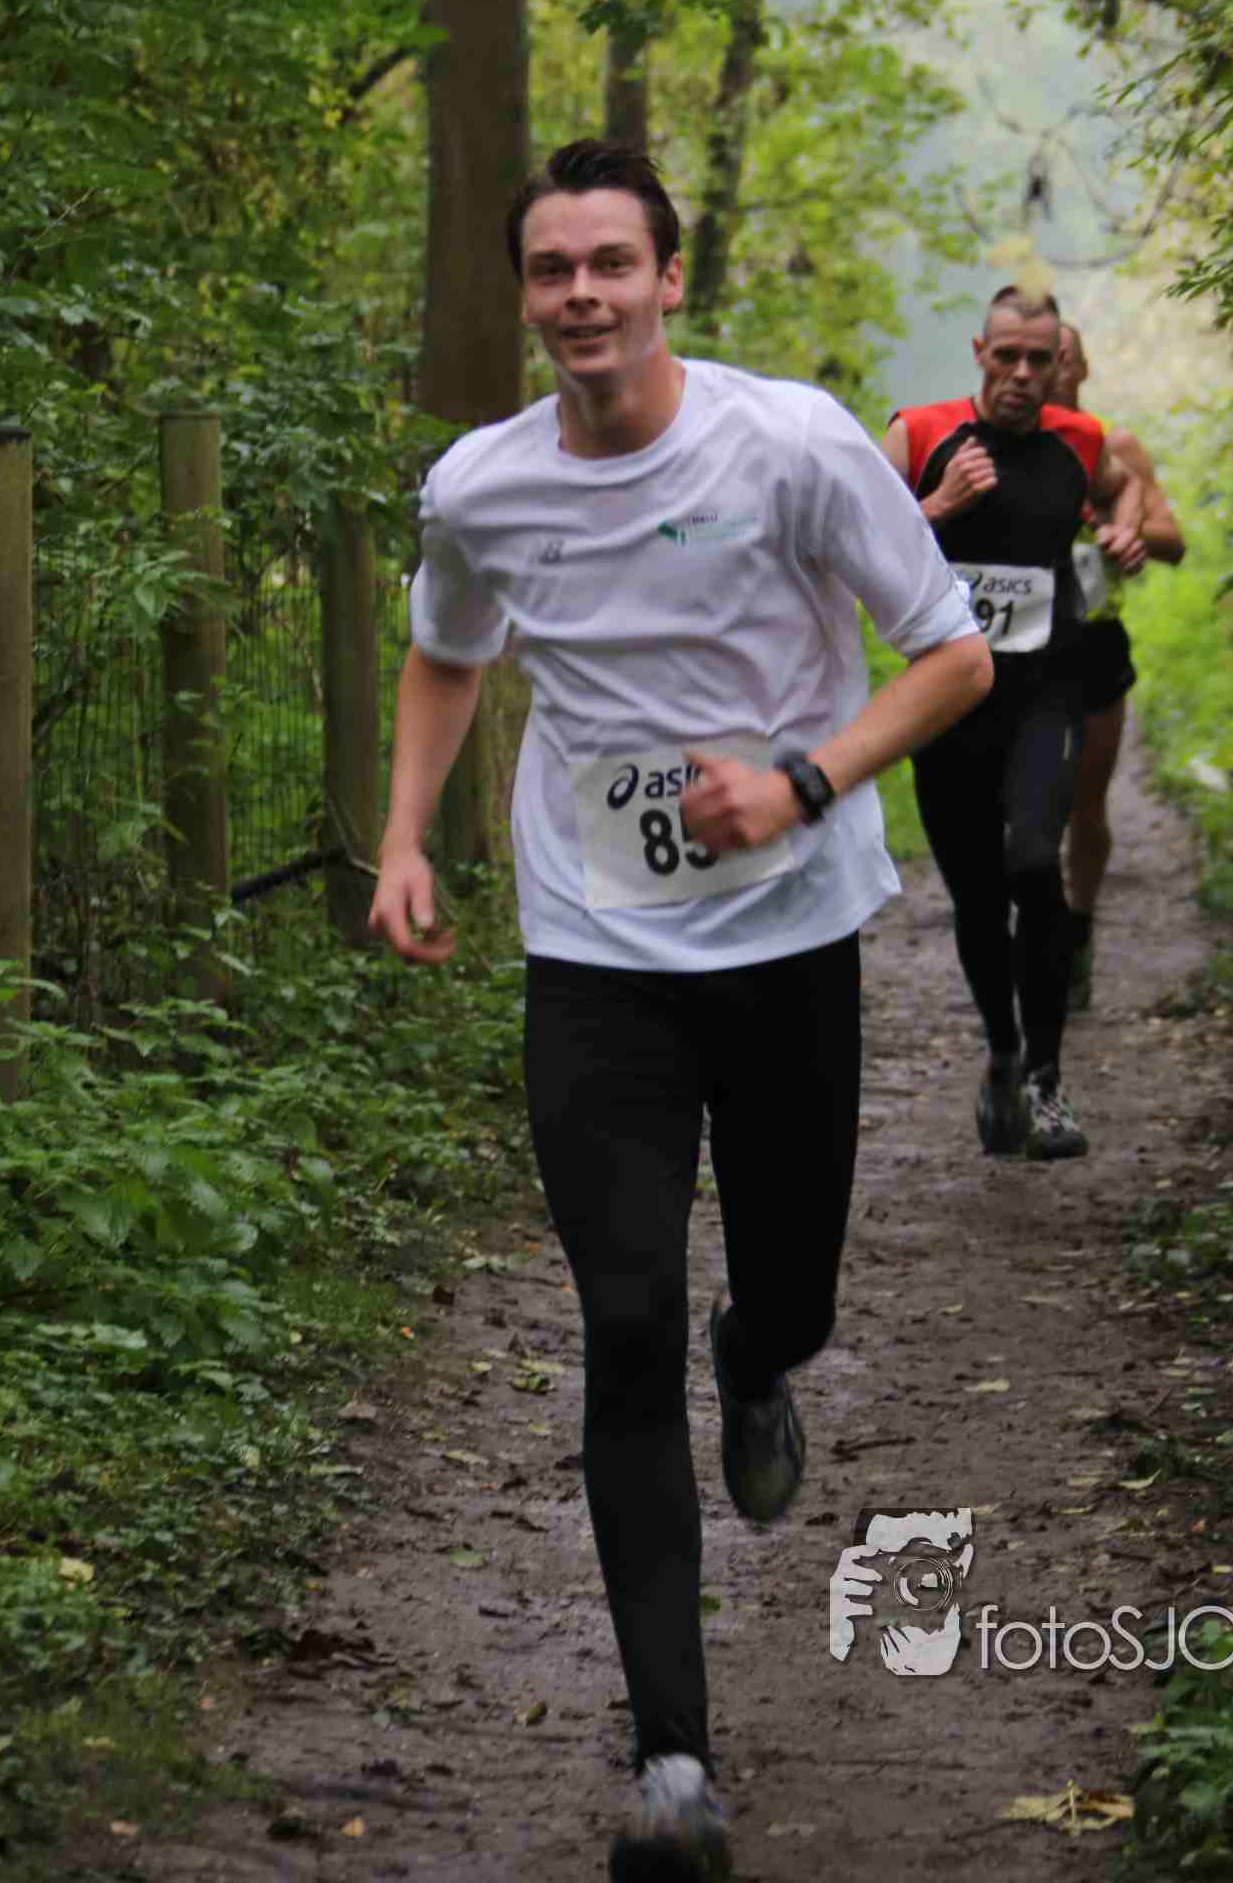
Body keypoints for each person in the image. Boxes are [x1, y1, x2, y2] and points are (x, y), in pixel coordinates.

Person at [367, 139, 992, 1882]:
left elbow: (951, 655)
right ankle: (671, 1763)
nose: (581, 295)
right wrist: (406, 836)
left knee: (783, 1292)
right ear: (524, 295)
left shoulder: (788, 445)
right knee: (624, 1318)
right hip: (596, 951)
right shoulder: (482, 487)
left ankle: (761, 1356)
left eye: (610, 264)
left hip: (788, 936)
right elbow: (446, 653)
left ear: (667, 281)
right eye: (550, 269)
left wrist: (801, 781)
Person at [882, 287, 1147, 1162]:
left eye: (1040, 359)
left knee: (1035, 863)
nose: (1024, 374)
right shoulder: (921, 433)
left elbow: (1127, 490)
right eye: (1007, 356)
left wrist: (1125, 533)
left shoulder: (1080, 439)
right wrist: (938, 506)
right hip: (947, 701)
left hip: (1045, 694)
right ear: (979, 352)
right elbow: (855, 544)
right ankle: (1001, 1053)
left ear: (1058, 362)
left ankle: (1046, 1081)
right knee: (977, 897)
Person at [1050, 319, 1186, 1008]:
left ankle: (1077, 926)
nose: (1049, 371)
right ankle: (1034, 929)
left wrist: (1122, 533)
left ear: (1083, 369)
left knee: (1086, 804)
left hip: (1093, 638)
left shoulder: (1113, 446)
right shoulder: (995, 442)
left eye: (1063, 359)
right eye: (1039, 358)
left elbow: (1172, 539)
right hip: (1012, 646)